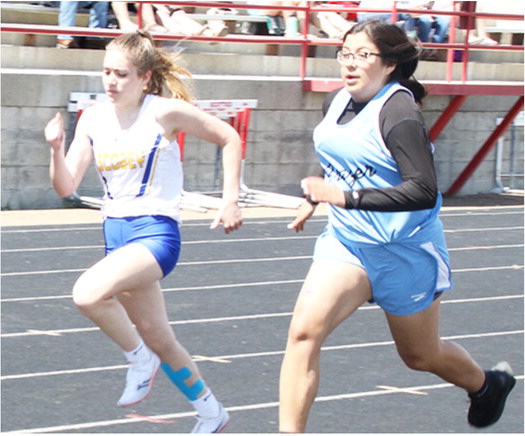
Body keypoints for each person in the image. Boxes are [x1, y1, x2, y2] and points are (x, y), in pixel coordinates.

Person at [278, 19, 515, 433]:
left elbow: (423, 190)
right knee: (303, 334)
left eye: (363, 56)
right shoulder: (334, 102)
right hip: (348, 245)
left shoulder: (400, 113)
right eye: (345, 54)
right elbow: (342, 158)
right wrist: (314, 195)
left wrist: (343, 197)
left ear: (388, 65)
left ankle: (486, 384)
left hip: (404, 250)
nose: (350, 64)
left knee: (420, 356)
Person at [44, 30, 243, 433]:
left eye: (121, 74)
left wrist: (230, 199)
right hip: (115, 232)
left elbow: (229, 136)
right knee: (159, 336)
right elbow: (66, 187)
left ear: (145, 78)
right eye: (106, 73)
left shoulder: (163, 112)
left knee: (86, 294)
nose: (111, 82)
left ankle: (138, 358)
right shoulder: (94, 118)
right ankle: (210, 411)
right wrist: (55, 149)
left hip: (155, 233)